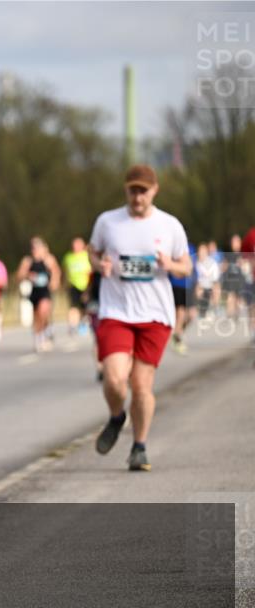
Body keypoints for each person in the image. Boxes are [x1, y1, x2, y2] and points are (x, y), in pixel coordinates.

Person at [88, 164, 192, 472]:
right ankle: (117, 416)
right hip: (116, 312)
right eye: (133, 190)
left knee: (141, 385)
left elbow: (186, 266)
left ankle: (139, 446)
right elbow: (92, 252)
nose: (137, 197)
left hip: (155, 315)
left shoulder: (169, 225)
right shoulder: (108, 222)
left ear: (154, 190)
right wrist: (100, 265)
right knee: (114, 379)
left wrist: (170, 264)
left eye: (143, 191)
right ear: (126, 190)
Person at [16, 237, 61, 352]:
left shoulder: (49, 260)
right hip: (34, 291)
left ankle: (46, 330)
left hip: (45, 291)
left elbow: (56, 272)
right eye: (33, 248)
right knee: (37, 316)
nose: (35, 251)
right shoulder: (27, 261)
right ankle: (39, 337)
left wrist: (54, 282)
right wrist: (28, 275)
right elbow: (19, 276)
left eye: (37, 248)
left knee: (43, 310)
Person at [169, 241, 197, 355]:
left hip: (189, 285)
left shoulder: (191, 247)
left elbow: (193, 267)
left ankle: (177, 332)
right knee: (180, 313)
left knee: (192, 314)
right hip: (177, 284)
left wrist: (197, 284)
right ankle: (177, 338)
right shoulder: (172, 246)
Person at [62, 237, 92, 336]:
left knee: (85, 307)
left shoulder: (86, 255)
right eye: (74, 245)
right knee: (73, 307)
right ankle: (72, 325)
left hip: (86, 286)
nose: (75, 247)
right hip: (73, 285)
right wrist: (64, 283)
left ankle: (83, 323)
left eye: (78, 244)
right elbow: (65, 272)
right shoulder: (68, 257)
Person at [195, 243, 220, 320]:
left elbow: (215, 278)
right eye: (200, 251)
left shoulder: (212, 263)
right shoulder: (196, 263)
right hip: (200, 286)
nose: (201, 253)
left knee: (215, 290)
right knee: (198, 290)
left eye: (203, 251)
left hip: (210, 286)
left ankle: (213, 310)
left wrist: (213, 286)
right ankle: (200, 311)